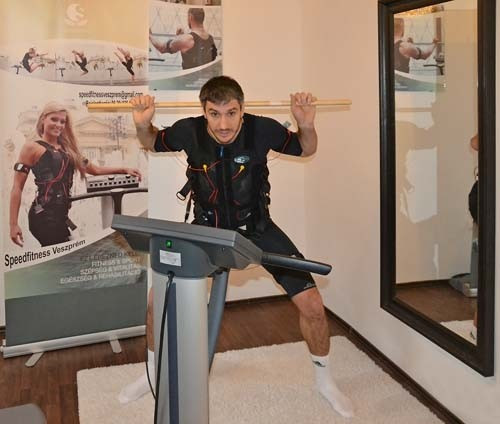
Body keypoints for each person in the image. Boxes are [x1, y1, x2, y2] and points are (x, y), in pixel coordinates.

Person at [118, 76, 354, 418]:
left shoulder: (262, 130)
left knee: (313, 306)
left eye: (231, 113)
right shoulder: (189, 131)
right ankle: (153, 372)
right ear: (204, 111)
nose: (224, 124)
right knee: (157, 300)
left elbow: (306, 149)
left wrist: (306, 125)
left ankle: (324, 381)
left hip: (257, 229)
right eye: (214, 114)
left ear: (243, 109)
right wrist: (142, 124)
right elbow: (152, 141)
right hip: (207, 230)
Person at [9, 102, 141, 247]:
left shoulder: (68, 150)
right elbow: (17, 187)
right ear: (43, 120)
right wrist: (13, 224)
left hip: (61, 217)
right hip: (43, 216)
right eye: (54, 119)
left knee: (66, 256)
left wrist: (124, 170)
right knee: (65, 256)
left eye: (62, 121)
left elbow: (95, 170)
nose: (58, 125)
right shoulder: (31, 147)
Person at [149, 7, 217, 70]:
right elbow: (196, 52)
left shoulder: (187, 39)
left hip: (191, 79)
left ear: (190, 17)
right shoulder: (210, 39)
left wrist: (149, 35)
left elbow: (161, 48)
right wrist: (181, 37)